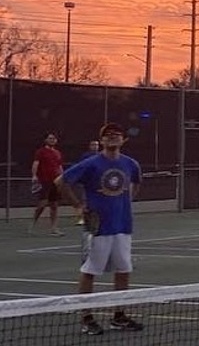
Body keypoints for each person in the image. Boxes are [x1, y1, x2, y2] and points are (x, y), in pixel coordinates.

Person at [55, 122, 143, 335]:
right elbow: (60, 181)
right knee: (90, 271)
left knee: (124, 270)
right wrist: (77, 206)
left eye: (116, 134)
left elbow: (137, 183)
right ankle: (87, 318)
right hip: (97, 228)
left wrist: (126, 203)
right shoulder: (91, 163)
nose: (112, 137)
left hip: (123, 226)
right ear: (101, 140)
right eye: (108, 135)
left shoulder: (131, 164)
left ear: (124, 140)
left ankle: (119, 316)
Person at [29, 132, 66, 236]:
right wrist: (34, 176)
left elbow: (59, 167)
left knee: (54, 205)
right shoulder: (41, 152)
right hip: (45, 181)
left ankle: (54, 228)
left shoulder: (58, 153)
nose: (52, 140)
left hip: (56, 182)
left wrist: (62, 178)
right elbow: (36, 163)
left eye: (54, 138)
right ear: (46, 140)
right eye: (50, 138)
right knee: (42, 204)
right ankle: (32, 224)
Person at [75, 139, 101, 226]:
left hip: (98, 183)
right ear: (90, 146)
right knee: (83, 200)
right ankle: (81, 218)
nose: (95, 146)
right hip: (86, 182)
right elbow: (81, 168)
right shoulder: (85, 156)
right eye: (93, 145)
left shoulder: (101, 156)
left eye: (97, 145)